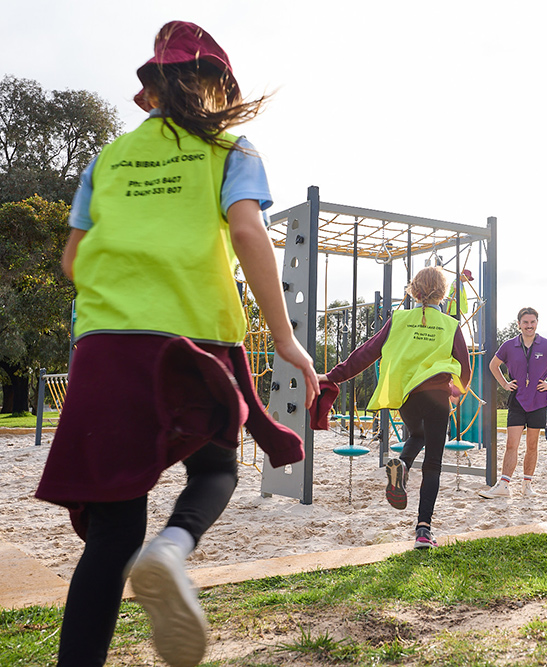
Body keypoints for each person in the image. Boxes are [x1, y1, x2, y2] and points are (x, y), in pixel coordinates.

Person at [34, 21, 320, 667]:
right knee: (215, 468)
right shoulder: (231, 148)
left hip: (107, 346)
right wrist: (284, 337)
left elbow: (73, 259)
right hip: (194, 338)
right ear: (218, 86)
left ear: (153, 90)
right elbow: (248, 233)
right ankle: (173, 546)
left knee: (109, 534)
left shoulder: (107, 158)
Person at [312, 266, 472, 549]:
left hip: (408, 397)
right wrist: (458, 389)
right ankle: (423, 530)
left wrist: (333, 375)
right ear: (443, 293)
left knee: (416, 436)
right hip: (437, 396)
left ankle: (403, 465)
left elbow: (366, 353)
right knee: (433, 463)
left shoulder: (398, 319)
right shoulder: (450, 325)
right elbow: (465, 366)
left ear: (415, 290)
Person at [480, 307, 547, 498]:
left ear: (537, 323)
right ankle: (504, 485)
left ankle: (527, 485)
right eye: (525, 322)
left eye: (532, 322)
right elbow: (493, 365)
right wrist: (504, 383)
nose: (529, 326)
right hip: (517, 401)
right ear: (519, 324)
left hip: (538, 401)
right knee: (511, 444)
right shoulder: (508, 345)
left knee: (532, 445)